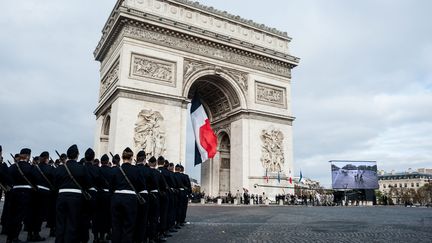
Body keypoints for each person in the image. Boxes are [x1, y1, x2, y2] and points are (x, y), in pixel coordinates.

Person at [54, 144, 91, 243]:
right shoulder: (81, 168)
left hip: (61, 196)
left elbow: (55, 183)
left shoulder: (59, 168)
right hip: (76, 198)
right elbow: (87, 183)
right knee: (72, 223)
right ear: (77, 155)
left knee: (60, 223)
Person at [110, 147, 146, 243]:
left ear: (122, 157)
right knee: (128, 227)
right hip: (130, 199)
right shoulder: (136, 170)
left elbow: (111, 187)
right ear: (131, 158)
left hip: (117, 198)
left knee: (116, 226)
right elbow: (142, 185)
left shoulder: (115, 170)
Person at [6, 148, 37, 243]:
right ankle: (15, 237)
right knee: (20, 217)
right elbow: (35, 180)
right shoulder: (31, 167)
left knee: (12, 215)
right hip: (25, 193)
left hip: (14, 192)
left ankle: (9, 237)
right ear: (28, 156)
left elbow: (8, 178)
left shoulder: (12, 167)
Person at [31, 151, 55, 241]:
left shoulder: (34, 168)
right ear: (47, 158)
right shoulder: (50, 168)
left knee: (33, 213)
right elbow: (54, 180)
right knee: (40, 214)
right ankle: (36, 234)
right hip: (45, 194)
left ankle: (31, 233)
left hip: (35, 192)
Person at [134, 150, 155, 243]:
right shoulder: (148, 170)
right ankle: (142, 239)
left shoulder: (132, 169)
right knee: (143, 220)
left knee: (133, 218)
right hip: (144, 196)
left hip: (133, 196)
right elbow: (152, 184)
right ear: (144, 160)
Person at [96, 154, 112, 242]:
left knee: (98, 216)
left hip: (99, 194)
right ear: (107, 161)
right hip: (108, 196)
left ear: (101, 162)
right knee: (106, 216)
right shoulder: (111, 170)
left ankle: (97, 237)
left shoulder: (97, 170)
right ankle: (104, 235)